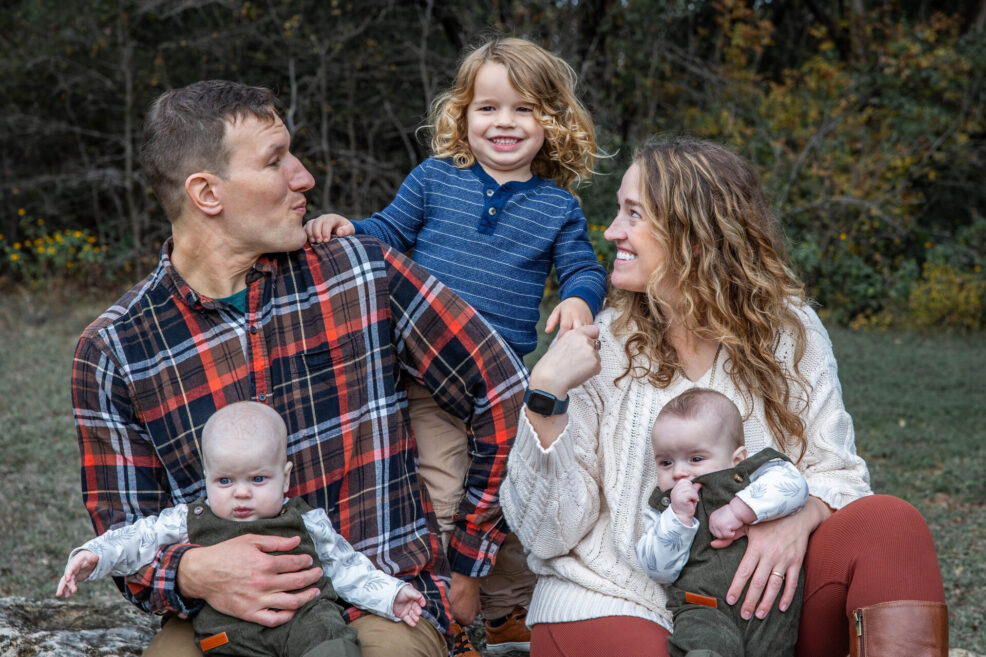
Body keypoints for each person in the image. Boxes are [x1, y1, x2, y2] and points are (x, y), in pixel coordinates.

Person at [71, 80, 529, 657]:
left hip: (378, 595)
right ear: (207, 193)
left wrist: (468, 563)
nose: (304, 176)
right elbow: (122, 531)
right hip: (225, 616)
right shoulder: (115, 349)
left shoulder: (362, 272)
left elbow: (503, 390)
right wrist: (193, 573)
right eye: (275, 160)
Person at [501, 136, 949, 657]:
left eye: (634, 214)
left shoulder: (787, 330)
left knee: (891, 525)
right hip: (616, 598)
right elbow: (546, 536)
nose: (612, 231)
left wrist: (802, 517)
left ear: (693, 232)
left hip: (762, 612)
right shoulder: (603, 348)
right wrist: (546, 397)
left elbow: (840, 473)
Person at [305, 37, 607, 655]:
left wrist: (578, 299)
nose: (504, 123)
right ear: (461, 116)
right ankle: (445, 617)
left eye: (524, 109)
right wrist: (349, 228)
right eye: (488, 108)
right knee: (442, 497)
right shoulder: (435, 179)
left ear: (552, 122)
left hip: (500, 384)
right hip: (427, 375)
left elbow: (583, 268)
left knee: (506, 496)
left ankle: (503, 612)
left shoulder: (557, 207)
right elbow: (388, 232)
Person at [58, 401, 426, 657]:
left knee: (333, 640)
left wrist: (392, 595)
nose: (242, 493)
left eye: (258, 478)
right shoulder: (190, 518)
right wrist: (94, 554)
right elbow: (138, 539)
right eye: (225, 481)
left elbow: (347, 567)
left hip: (305, 624)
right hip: (226, 636)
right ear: (206, 478)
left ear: (285, 478)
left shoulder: (305, 521)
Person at [635, 388, 809, 657]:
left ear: (736, 459)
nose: (680, 472)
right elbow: (658, 569)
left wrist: (740, 509)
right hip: (703, 607)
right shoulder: (664, 509)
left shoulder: (753, 476)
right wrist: (678, 520)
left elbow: (794, 486)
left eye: (695, 459)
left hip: (770, 604)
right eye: (666, 462)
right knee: (706, 646)